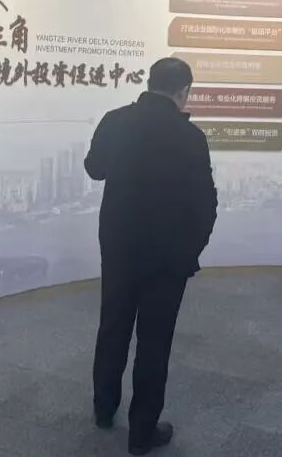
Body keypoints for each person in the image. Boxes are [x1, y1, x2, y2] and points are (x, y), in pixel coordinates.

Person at [84, 57, 218, 455]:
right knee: (154, 342)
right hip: (168, 256)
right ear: (184, 92)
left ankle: (103, 409)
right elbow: (205, 202)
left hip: (119, 246)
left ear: (149, 82)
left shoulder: (115, 120)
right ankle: (142, 433)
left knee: (113, 326)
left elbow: (94, 168)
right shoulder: (190, 137)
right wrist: (193, 248)